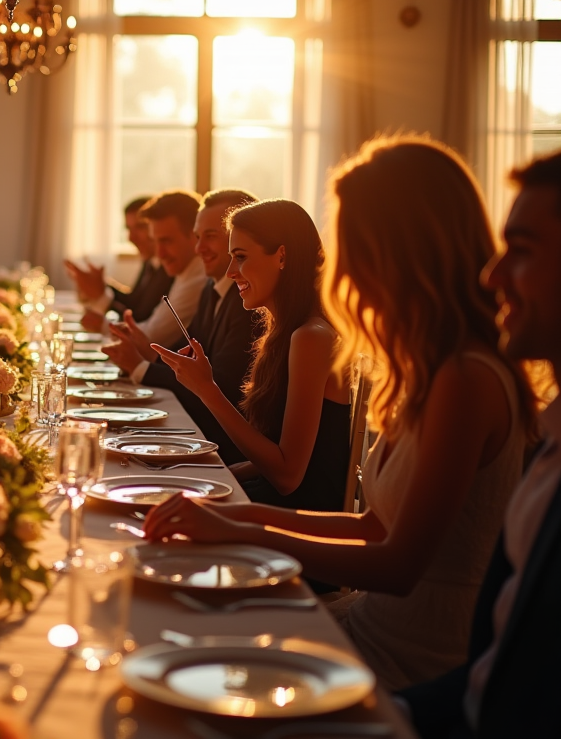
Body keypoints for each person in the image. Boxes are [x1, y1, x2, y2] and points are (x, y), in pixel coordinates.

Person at [145, 139, 534, 691]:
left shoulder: (466, 379)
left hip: (411, 659)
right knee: (179, 626)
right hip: (367, 623)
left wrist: (245, 531)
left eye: (353, 241)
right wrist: (240, 519)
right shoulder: (427, 366)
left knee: (191, 648)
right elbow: (373, 525)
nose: (339, 262)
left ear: (399, 246)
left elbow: (397, 565)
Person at [400, 148, 561, 737]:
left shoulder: (468, 376)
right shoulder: (551, 442)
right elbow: (492, 679)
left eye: (521, 251)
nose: (492, 276)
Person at [146, 198, 351, 510]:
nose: (230, 272)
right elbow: (272, 456)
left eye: (240, 257)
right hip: (274, 497)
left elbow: (288, 476)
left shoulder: (312, 337)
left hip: (297, 515)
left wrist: (207, 389)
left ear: (281, 256)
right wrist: (216, 473)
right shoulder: (284, 333)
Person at [101, 189, 260, 464]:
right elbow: (189, 360)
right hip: (199, 433)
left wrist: (141, 367)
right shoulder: (212, 287)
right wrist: (148, 352)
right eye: (198, 237)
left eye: (210, 236)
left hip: (222, 450)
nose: (198, 249)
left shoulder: (250, 305)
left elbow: (221, 386)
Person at [100, 190, 208, 350]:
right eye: (155, 241)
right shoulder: (185, 270)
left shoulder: (199, 277)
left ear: (195, 235)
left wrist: (102, 324)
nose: (159, 253)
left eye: (166, 241)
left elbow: (151, 338)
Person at [66, 196, 174, 328]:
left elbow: (141, 319)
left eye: (140, 227)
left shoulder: (170, 267)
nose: (131, 237)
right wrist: (101, 285)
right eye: (128, 229)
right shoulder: (151, 262)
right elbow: (134, 302)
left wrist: (101, 296)